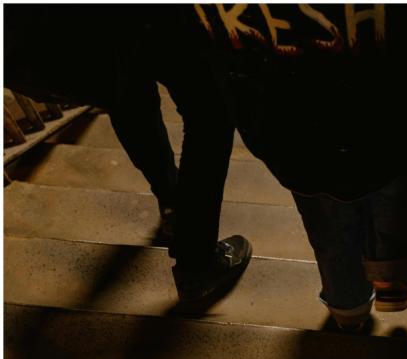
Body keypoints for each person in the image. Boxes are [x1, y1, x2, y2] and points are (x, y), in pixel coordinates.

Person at [193, 4, 407, 330]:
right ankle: (391, 278)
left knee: (323, 211)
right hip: (392, 99)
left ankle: (346, 304)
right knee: (396, 190)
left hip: (286, 110)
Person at [4, 5, 252, 307]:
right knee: (209, 112)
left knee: (126, 93)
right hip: (130, 19)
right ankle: (197, 261)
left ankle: (173, 203)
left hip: (44, 44)